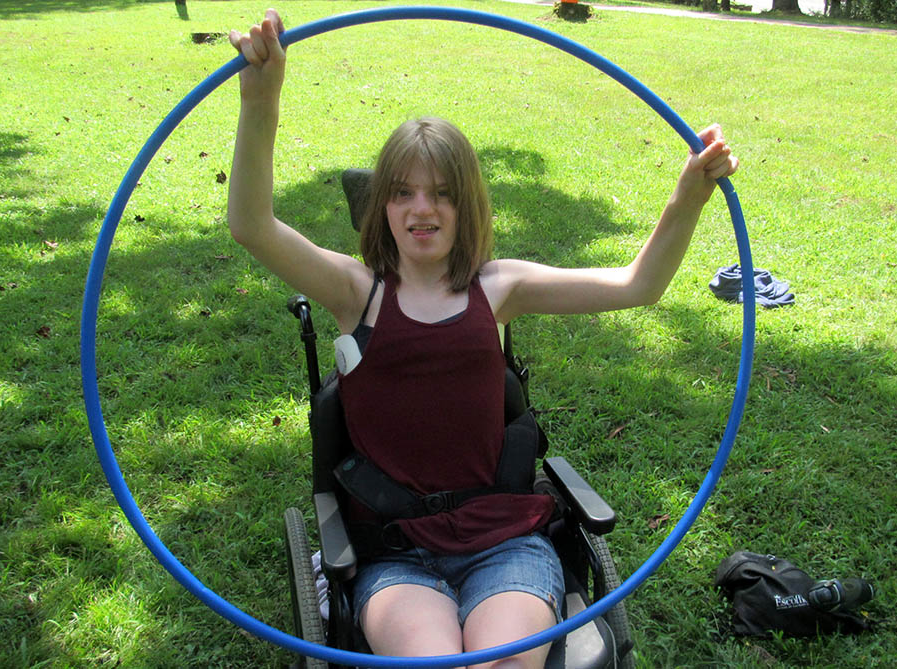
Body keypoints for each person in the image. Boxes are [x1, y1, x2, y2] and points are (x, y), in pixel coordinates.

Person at [228, 9, 738, 669]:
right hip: (397, 553)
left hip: (506, 545)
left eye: (442, 193)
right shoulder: (356, 292)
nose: (422, 208)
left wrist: (688, 196)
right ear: (383, 203)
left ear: (466, 204)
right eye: (404, 192)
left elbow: (637, 285)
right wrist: (261, 96)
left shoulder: (500, 288)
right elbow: (251, 225)